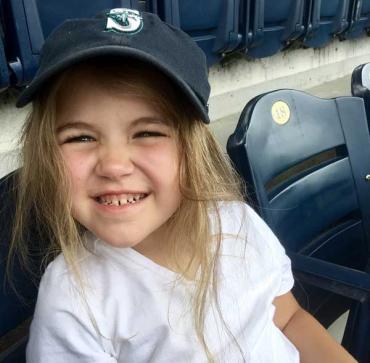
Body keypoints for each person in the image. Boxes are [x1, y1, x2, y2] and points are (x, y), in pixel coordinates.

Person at [9, 7, 356, 363]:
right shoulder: (74, 299)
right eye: (80, 137)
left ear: (193, 153)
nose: (113, 165)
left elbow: (288, 319)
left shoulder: (237, 222)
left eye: (147, 132)